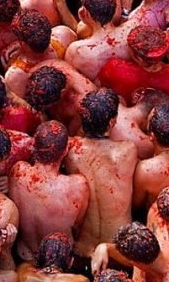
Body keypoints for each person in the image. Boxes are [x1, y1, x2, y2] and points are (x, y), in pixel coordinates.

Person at [63, 89, 138, 256]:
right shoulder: (128, 151)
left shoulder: (70, 150)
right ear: (112, 123)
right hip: (119, 249)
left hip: (82, 250)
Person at [8, 121, 89, 261]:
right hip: (59, 260)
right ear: (65, 151)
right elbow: (77, 226)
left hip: (24, 255)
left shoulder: (18, 171)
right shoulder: (77, 185)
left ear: (34, 146)